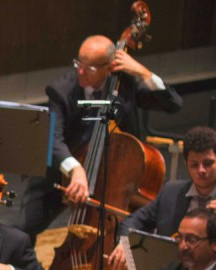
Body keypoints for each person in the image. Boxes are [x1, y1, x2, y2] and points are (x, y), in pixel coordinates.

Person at [21, 34, 182, 236]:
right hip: (65, 175)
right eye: (78, 63)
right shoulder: (61, 91)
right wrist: (76, 170)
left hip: (114, 177)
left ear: (109, 67)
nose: (80, 70)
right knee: (22, 229)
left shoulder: (124, 84)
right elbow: (54, 139)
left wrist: (144, 73)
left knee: (152, 223)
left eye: (90, 67)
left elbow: (173, 104)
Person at [108, 126, 216, 270]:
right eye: (194, 164)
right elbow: (133, 220)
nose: (201, 170)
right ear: (186, 162)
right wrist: (125, 243)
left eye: (207, 163)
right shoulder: (171, 191)